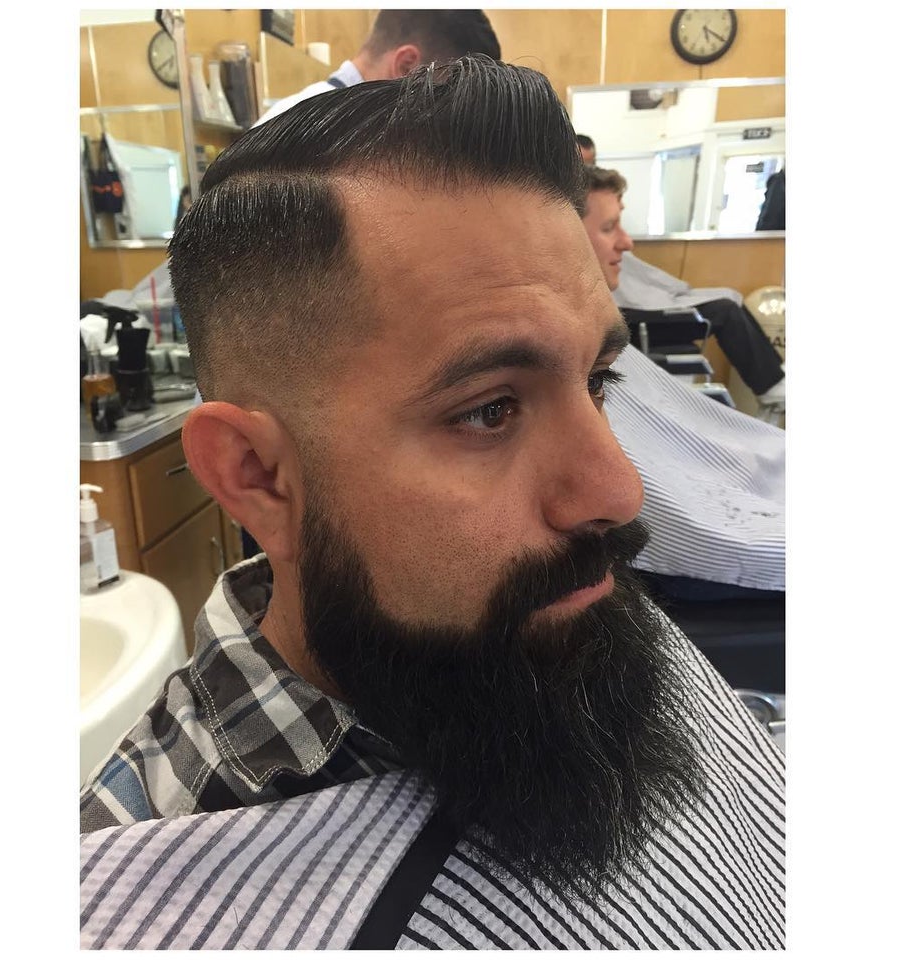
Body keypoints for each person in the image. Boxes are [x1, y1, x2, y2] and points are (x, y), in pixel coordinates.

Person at [80, 58, 784, 950]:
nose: (618, 491)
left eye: (598, 382)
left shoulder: (564, 621)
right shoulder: (123, 906)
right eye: (489, 411)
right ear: (255, 476)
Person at [579, 163, 784, 610]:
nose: (627, 242)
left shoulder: (599, 337)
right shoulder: (580, 352)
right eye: (609, 227)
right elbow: (684, 527)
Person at [582, 166, 786, 409]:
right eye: (608, 227)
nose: (627, 243)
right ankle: (773, 384)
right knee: (726, 309)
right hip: (637, 318)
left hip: (635, 311)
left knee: (729, 303)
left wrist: (671, 291)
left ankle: (776, 377)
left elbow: (646, 280)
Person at [252, 9, 501, 126]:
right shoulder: (321, 131)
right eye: (446, 95)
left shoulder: (337, 120)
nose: (443, 115)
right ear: (407, 67)